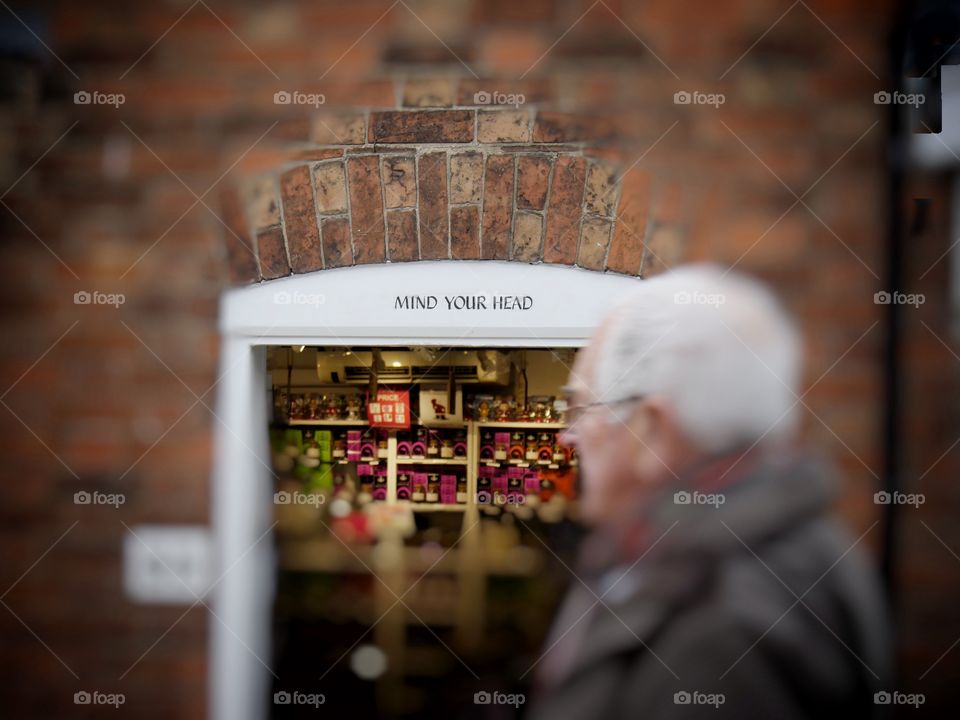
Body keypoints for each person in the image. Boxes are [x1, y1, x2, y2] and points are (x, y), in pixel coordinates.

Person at [525, 265, 891, 720]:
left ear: (652, 429)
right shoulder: (782, 555)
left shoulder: (722, 628)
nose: (568, 435)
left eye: (581, 407)